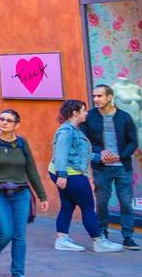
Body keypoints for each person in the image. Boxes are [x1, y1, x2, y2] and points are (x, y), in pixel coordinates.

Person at [0, 108, 49, 277]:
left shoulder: (22, 143)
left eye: (9, 120)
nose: (4, 122)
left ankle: (18, 274)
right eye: (2, 119)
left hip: (21, 192)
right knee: (5, 232)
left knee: (19, 235)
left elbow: (31, 170)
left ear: (17, 125)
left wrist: (42, 195)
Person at [49, 99, 122, 253]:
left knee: (67, 206)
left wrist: (99, 158)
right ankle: (98, 241)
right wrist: (62, 175)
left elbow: (80, 153)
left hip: (68, 172)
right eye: (83, 110)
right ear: (75, 113)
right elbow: (60, 153)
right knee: (88, 207)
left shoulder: (76, 130)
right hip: (71, 173)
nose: (86, 113)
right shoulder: (67, 131)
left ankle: (62, 240)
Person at [81, 83, 139, 250]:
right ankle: (102, 235)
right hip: (101, 167)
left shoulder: (124, 117)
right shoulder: (89, 117)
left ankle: (128, 237)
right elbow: (85, 141)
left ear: (109, 97)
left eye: (99, 96)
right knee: (102, 203)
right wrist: (101, 153)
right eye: (94, 96)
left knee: (126, 203)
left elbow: (133, 141)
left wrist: (120, 156)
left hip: (123, 167)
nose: (95, 99)